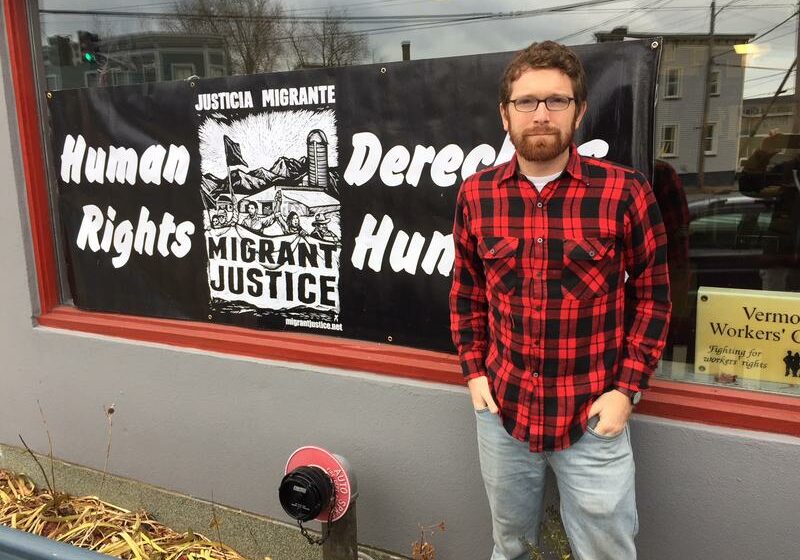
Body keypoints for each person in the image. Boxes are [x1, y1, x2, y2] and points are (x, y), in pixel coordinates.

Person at [449, 41, 671, 560]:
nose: (541, 114)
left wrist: (626, 391)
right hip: (504, 412)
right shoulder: (476, 195)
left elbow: (655, 295)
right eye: (526, 102)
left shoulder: (625, 192)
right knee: (511, 549)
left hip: (595, 416)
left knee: (608, 553)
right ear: (505, 114)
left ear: (580, 111)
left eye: (556, 100)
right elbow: (467, 291)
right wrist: (474, 374)